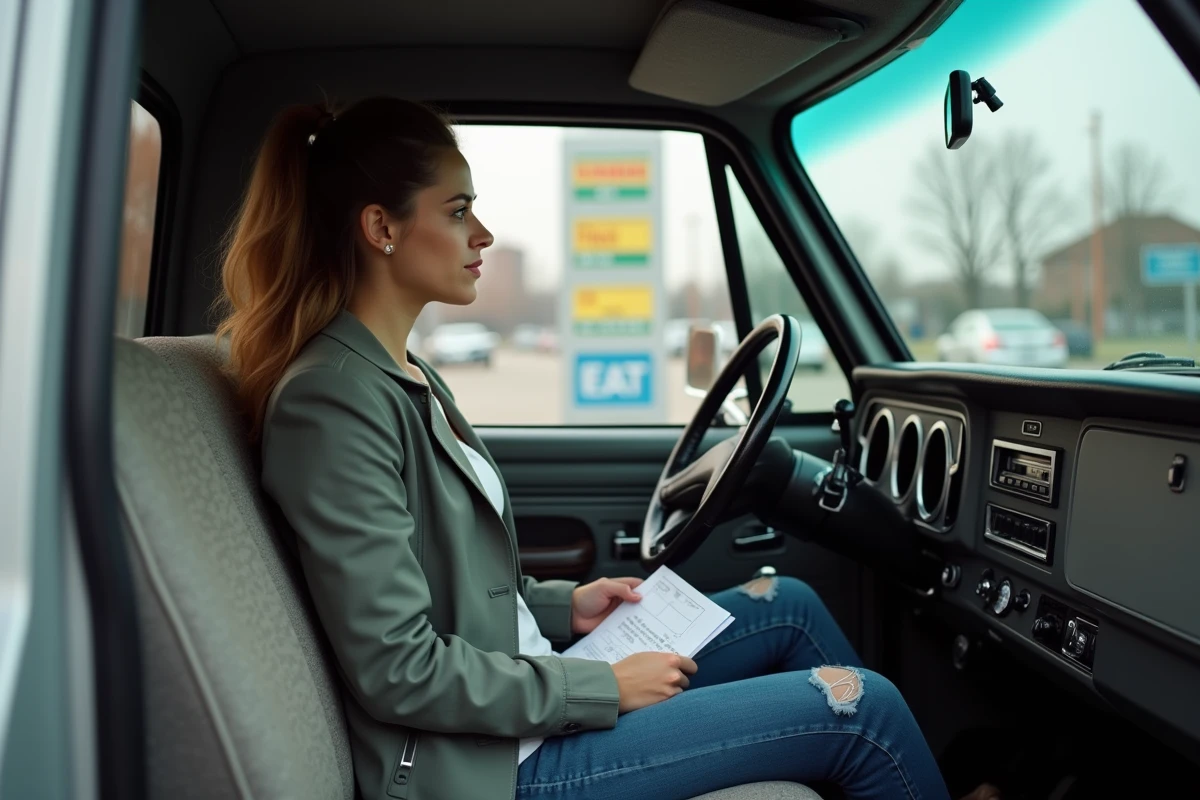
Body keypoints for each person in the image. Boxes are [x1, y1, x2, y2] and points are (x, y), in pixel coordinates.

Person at [215, 97, 983, 800]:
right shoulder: (332, 400)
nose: (482, 234)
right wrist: (601, 689)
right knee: (862, 708)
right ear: (381, 228)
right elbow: (398, 668)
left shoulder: (401, 372)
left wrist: (562, 606)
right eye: (457, 212)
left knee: (788, 603)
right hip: (488, 765)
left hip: (522, 702)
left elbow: (454, 587)